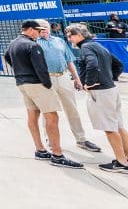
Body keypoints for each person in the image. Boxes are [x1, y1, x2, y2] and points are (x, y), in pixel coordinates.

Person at [66, 23, 128, 174]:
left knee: (110, 128)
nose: (69, 39)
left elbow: (92, 65)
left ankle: (122, 163)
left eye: (70, 35)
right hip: (111, 90)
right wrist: (110, 78)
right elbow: (118, 64)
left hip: (100, 92)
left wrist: (89, 83)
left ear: (80, 35)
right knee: (118, 126)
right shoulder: (97, 45)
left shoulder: (86, 48)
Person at [7, 20, 83, 169]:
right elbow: (40, 67)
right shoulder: (33, 45)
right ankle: (57, 154)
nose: (39, 32)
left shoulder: (14, 43)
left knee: (33, 116)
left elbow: (8, 57)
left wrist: (21, 72)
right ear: (29, 30)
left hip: (23, 83)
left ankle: (40, 149)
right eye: (37, 30)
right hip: (37, 84)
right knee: (52, 117)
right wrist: (47, 83)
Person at [36, 19, 101, 152]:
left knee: (72, 109)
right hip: (47, 78)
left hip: (64, 76)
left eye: (45, 27)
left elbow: (69, 60)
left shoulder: (59, 41)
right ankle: (50, 138)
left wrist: (77, 79)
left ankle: (81, 139)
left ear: (49, 28)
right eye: (40, 28)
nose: (43, 29)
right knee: (48, 111)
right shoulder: (34, 43)